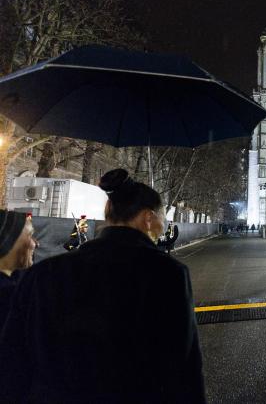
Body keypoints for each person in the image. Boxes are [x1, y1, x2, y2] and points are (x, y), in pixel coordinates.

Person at [0, 169, 206, 403]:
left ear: (109, 213)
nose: (163, 227)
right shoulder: (168, 275)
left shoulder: (42, 274)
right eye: (162, 218)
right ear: (148, 218)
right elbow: (183, 370)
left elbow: (13, 362)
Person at [0, 211, 36, 327]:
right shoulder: (11, 298)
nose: (36, 244)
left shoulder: (18, 284)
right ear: (9, 241)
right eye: (30, 235)